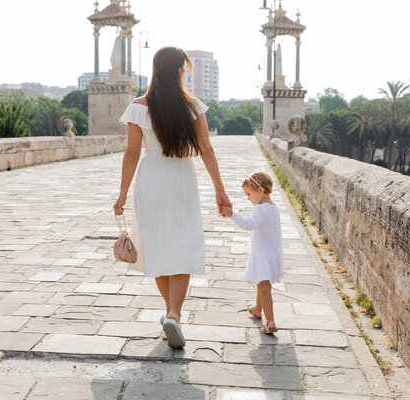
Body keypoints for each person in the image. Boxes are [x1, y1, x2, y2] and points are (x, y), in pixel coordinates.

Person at [114, 46, 231, 348]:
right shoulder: (192, 106)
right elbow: (206, 149)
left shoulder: (139, 107)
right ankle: (174, 315)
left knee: (156, 247)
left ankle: (171, 314)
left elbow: (131, 153)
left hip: (150, 178)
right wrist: (220, 189)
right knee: (182, 245)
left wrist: (123, 193)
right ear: (179, 70)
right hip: (181, 178)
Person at [221, 171, 284, 334]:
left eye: (249, 194)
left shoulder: (259, 209)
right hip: (272, 253)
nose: (248, 198)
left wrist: (232, 214)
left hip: (262, 254)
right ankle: (257, 309)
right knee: (262, 283)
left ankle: (270, 322)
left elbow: (249, 224)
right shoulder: (274, 207)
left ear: (260, 190)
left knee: (264, 288)